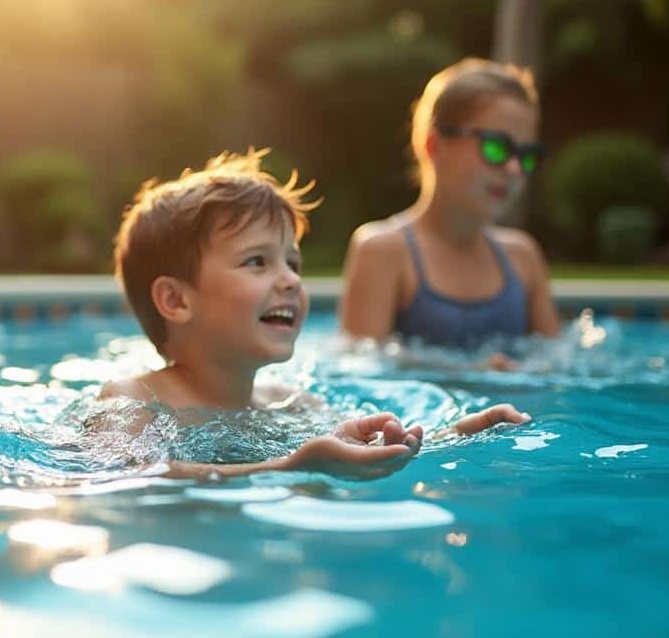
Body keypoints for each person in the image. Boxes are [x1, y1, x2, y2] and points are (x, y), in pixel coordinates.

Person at [98, 149, 529, 481]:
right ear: (176, 301)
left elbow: (355, 451)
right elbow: (123, 477)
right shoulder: (136, 400)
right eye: (257, 262)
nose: (289, 280)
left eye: (292, 263)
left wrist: (455, 436)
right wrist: (287, 469)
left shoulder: (290, 403)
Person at [340, 58, 559, 353]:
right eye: (497, 147)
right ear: (434, 145)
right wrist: (468, 371)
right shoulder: (384, 252)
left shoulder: (523, 257)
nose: (514, 169)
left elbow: (557, 366)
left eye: (526, 155)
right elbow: (361, 370)